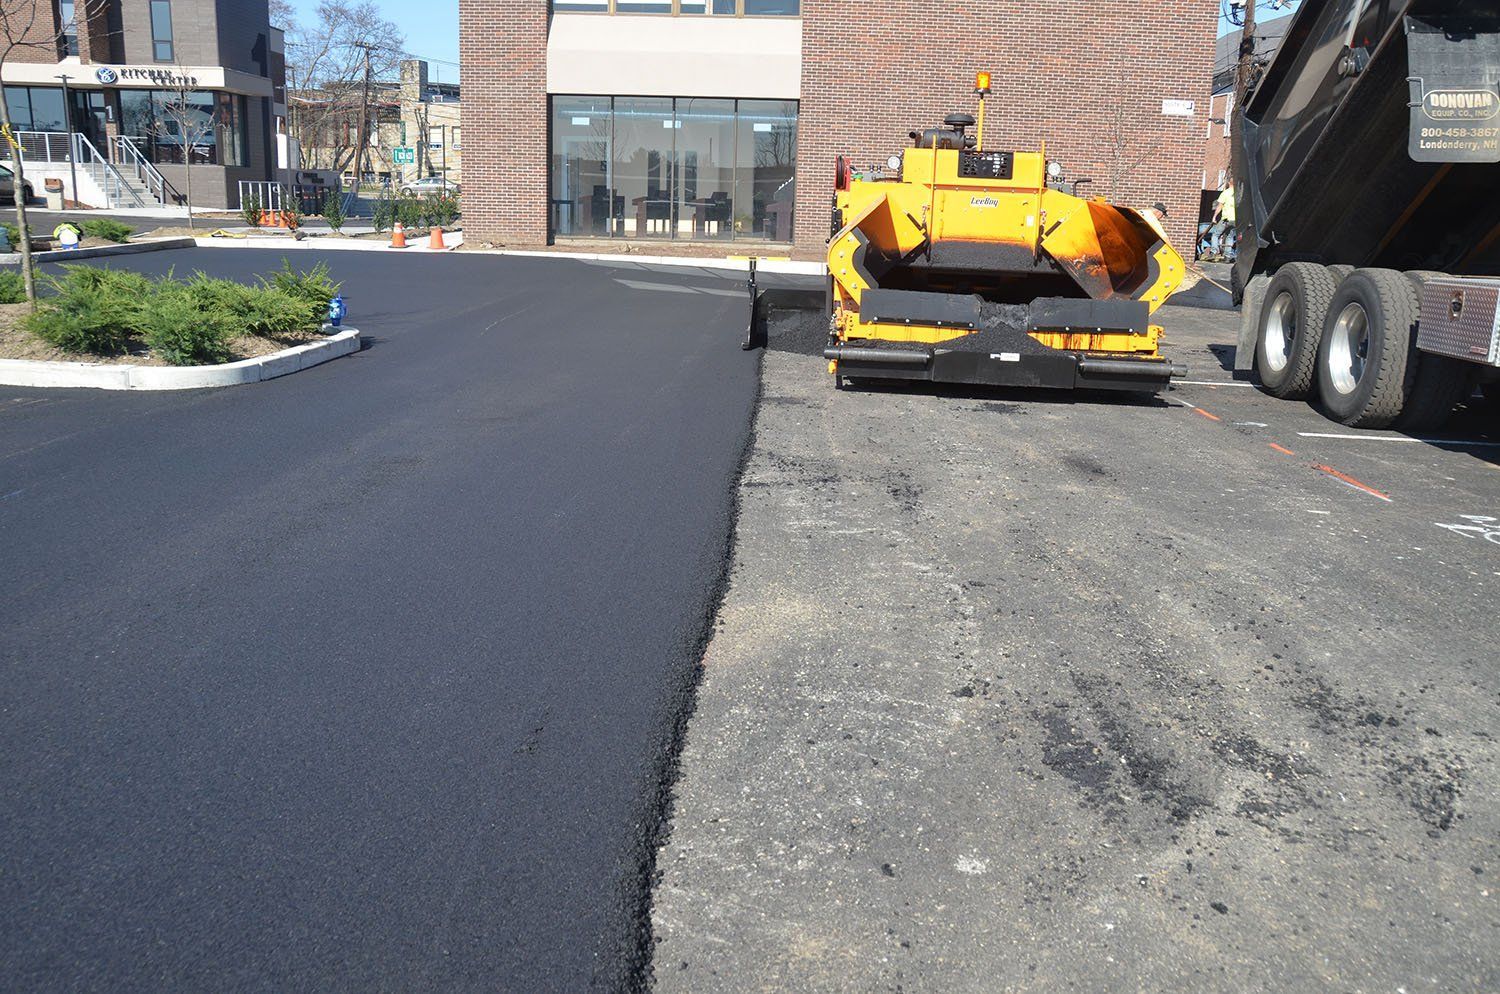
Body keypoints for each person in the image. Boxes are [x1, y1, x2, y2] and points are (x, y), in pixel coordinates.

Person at [1208, 183, 1237, 260]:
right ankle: (1227, 256)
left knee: (1215, 235)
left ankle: (1213, 252)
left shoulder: (1225, 193)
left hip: (1226, 219)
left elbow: (1219, 206)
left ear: (1229, 183)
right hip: (1235, 220)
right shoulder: (1239, 193)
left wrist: (1214, 217)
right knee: (1230, 236)